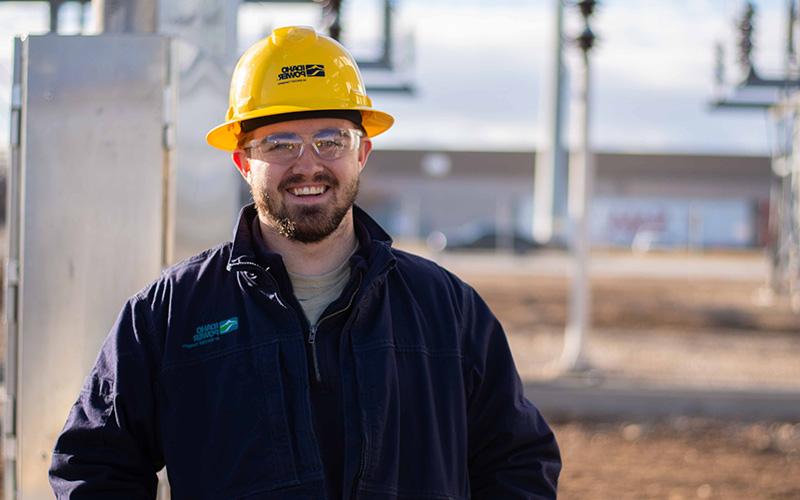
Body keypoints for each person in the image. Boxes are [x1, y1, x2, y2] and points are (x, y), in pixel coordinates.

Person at [49, 25, 561, 499]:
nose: (308, 163)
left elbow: (517, 461)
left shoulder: (446, 310)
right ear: (243, 160)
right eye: (280, 143)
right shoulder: (170, 314)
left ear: (362, 153)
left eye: (330, 140)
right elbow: (92, 465)